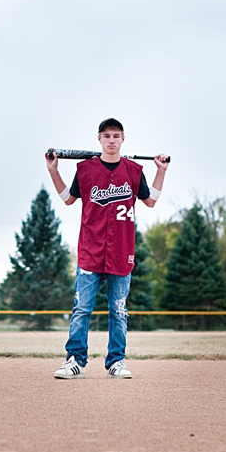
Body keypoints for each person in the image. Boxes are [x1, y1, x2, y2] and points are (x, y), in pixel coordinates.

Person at [45, 118, 169, 379]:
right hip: (90, 250)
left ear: (123, 139)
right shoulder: (86, 170)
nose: (111, 140)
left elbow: (151, 201)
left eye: (116, 136)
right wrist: (53, 171)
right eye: (107, 136)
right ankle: (75, 361)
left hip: (121, 252)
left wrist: (161, 171)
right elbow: (67, 199)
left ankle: (116, 361)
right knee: (82, 309)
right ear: (99, 139)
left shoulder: (134, 171)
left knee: (119, 311)